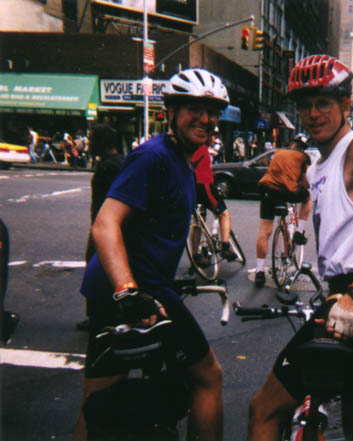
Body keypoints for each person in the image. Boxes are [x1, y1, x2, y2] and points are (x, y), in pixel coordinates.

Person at [247, 54, 353, 441]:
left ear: (345, 105)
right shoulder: (323, 162)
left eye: (323, 103)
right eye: (304, 105)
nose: (312, 114)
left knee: (264, 410)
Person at [72, 68, 229, 441]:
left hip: (151, 289)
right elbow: (105, 224)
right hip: (127, 294)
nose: (205, 119)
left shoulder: (184, 159)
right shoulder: (152, 157)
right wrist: (127, 292)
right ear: (171, 111)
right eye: (194, 108)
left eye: (213, 111)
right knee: (203, 379)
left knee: (101, 399)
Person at [76, 124, 124, 332]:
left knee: (96, 269)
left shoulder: (108, 168)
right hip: (111, 226)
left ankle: (98, 316)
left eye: (92, 139)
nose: (88, 144)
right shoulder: (118, 162)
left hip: (103, 227)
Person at [253, 132, 312, 287]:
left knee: (265, 230)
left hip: (267, 189)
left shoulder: (278, 153)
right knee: (307, 198)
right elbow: (306, 180)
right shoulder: (304, 158)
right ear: (304, 148)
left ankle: (260, 271)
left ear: (291, 144)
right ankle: (299, 232)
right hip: (287, 191)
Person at [191, 141, 237, 262]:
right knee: (224, 213)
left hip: (192, 187)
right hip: (204, 185)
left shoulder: (190, 146)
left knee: (198, 220)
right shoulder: (201, 148)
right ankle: (225, 246)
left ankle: (195, 256)